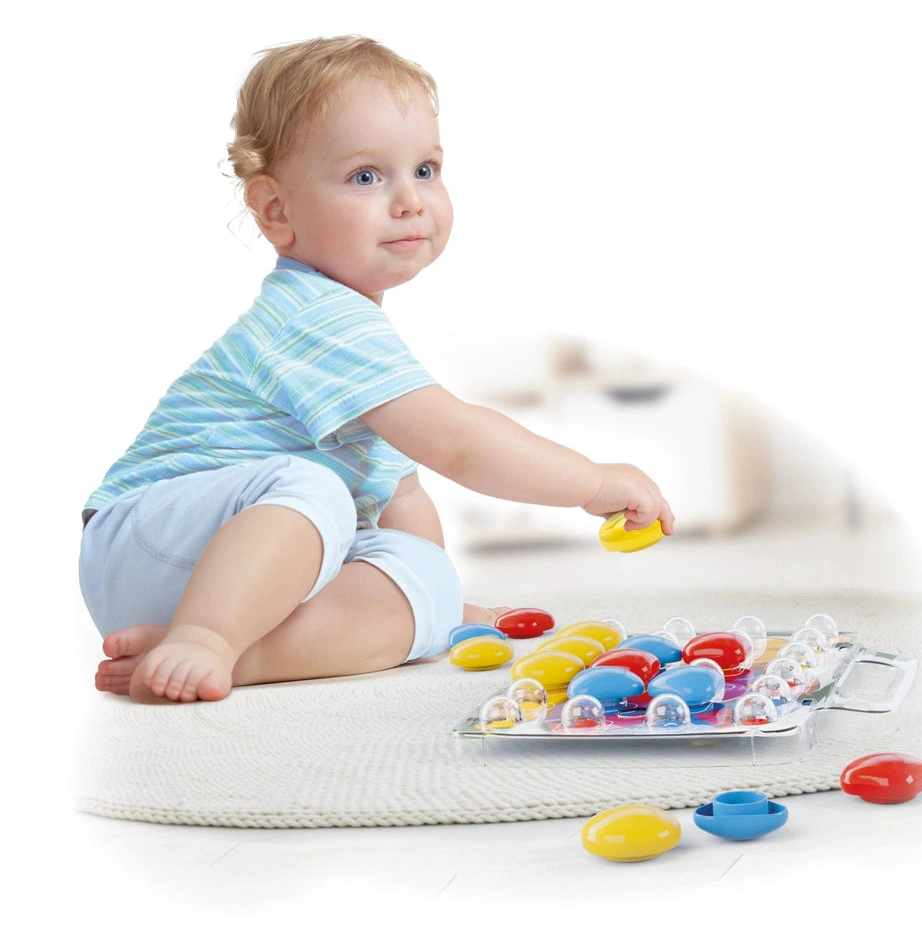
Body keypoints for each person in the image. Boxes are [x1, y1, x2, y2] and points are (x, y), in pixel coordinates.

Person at [80, 36, 675, 704]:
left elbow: (401, 496)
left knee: (423, 573)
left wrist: (435, 595)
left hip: (242, 577)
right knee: (314, 486)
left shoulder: (359, 340)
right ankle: (207, 637)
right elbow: (459, 443)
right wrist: (591, 481)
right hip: (152, 545)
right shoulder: (312, 318)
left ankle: (235, 654)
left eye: (425, 169)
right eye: (366, 177)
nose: (409, 200)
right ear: (276, 210)